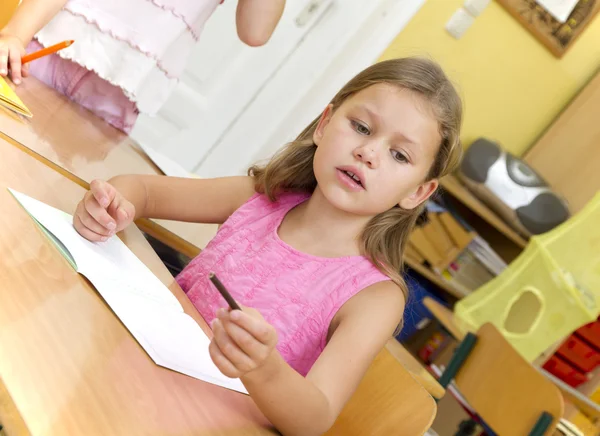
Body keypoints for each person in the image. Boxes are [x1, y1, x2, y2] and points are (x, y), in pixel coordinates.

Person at [72, 57, 463, 435]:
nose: (369, 152)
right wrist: (114, 205)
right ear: (324, 124)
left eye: (399, 155)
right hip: (132, 370)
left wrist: (264, 368)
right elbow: (143, 191)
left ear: (418, 192)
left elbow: (314, 419)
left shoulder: (375, 296)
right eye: (361, 127)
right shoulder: (262, 197)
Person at [0, 0, 285, 132]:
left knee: (51, 186)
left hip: (118, 94)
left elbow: (255, 31)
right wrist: (15, 34)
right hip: (43, 52)